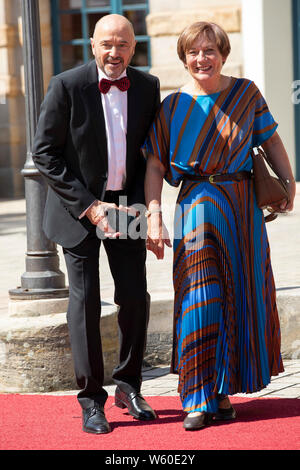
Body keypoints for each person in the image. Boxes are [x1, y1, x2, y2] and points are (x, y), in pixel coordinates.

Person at [143, 21, 296, 430]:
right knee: (197, 299)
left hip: (242, 210)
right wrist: (154, 213)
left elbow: (272, 141)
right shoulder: (173, 105)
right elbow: (156, 164)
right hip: (194, 209)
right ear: (184, 58)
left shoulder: (246, 93)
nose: (201, 58)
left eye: (209, 50)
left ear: (223, 54)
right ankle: (196, 396)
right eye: (193, 52)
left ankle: (223, 392)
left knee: (238, 296)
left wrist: (289, 182)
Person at [32, 14, 160, 434]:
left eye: (123, 44)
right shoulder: (66, 85)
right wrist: (90, 207)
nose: (115, 52)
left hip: (127, 208)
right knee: (85, 304)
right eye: (107, 44)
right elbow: (45, 154)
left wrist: (147, 209)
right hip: (78, 209)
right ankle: (91, 401)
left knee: (135, 298)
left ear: (133, 46)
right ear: (92, 44)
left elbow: (149, 154)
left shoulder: (147, 86)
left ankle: (128, 385)